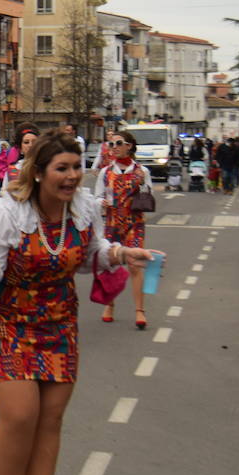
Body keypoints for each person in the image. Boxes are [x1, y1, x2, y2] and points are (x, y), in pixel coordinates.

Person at [0, 130, 159, 475]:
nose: (72, 177)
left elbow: (91, 254)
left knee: (50, 420)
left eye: (76, 167)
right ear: (38, 173)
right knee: (20, 415)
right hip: (3, 320)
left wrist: (121, 254)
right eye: (62, 169)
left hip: (56, 321)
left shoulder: (85, 209)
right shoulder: (7, 212)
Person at [92, 132, 154, 328]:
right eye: (111, 143)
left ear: (129, 146)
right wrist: (100, 201)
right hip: (111, 223)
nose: (114, 147)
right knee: (110, 264)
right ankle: (109, 305)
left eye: (119, 143)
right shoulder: (106, 172)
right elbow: (96, 197)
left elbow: (148, 197)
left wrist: (143, 182)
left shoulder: (142, 170)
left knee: (135, 264)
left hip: (134, 223)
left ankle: (140, 310)